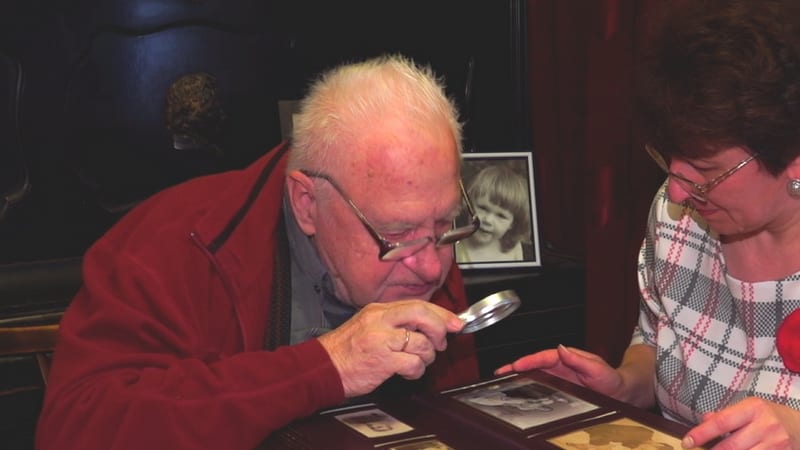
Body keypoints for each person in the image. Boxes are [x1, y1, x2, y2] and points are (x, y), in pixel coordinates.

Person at [35, 54, 482, 449]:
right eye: (396, 234)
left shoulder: (418, 241)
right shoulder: (171, 245)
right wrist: (326, 366)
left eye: (445, 224)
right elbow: (77, 431)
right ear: (307, 204)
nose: (431, 268)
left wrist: (501, 402)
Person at [497, 1, 800, 449]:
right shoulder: (680, 218)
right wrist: (622, 386)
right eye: (667, 158)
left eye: (705, 169)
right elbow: (657, 344)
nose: (676, 192)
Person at [455, 163, 533, 263]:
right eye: (483, 208)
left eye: (501, 215)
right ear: (469, 204)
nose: (488, 220)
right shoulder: (455, 248)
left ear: (512, 224)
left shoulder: (513, 247)